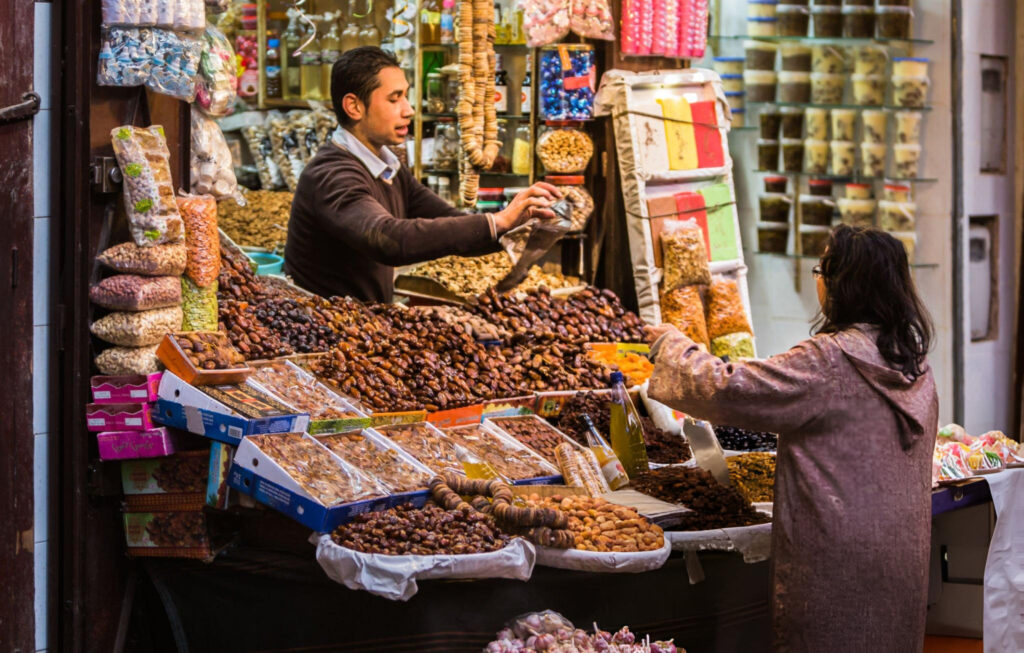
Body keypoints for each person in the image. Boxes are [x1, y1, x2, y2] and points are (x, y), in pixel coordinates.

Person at [645, 225, 938, 653]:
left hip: (834, 561)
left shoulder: (831, 360)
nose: (817, 281)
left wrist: (674, 348)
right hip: (899, 555)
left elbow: (732, 388)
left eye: (821, 270)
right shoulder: (914, 362)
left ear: (842, 284)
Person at [286, 46, 560, 302]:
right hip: (324, 336)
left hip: (364, 329)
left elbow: (450, 223)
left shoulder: (387, 167)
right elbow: (389, 239)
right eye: (395, 99)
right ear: (354, 106)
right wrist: (497, 221)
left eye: (406, 96)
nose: (409, 110)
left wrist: (516, 225)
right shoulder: (331, 174)